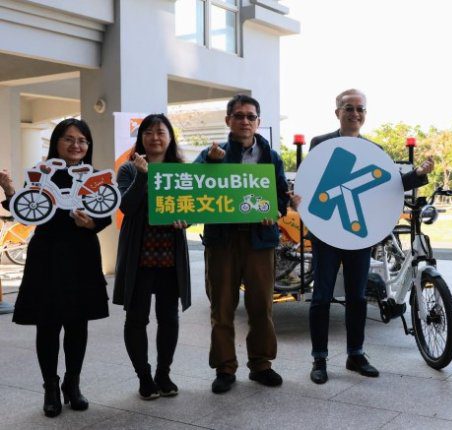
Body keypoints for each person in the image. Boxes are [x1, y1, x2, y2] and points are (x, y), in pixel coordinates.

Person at [305, 89, 432, 384]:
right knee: (321, 297)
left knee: (357, 297)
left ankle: (356, 354)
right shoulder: (321, 144)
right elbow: (311, 182)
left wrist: (418, 174)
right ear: (337, 112)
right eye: (348, 108)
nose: (355, 113)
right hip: (327, 234)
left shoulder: (374, 150)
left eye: (360, 109)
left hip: (358, 235)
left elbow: (389, 186)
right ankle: (319, 358)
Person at [0, 119, 110, 417]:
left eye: (82, 140)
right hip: (47, 256)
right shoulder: (43, 172)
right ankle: (50, 386)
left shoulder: (94, 175)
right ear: (56, 143)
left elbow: (105, 215)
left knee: (78, 323)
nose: (76, 145)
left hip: (82, 255)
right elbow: (25, 211)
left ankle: (72, 384)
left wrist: (91, 223)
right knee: (47, 323)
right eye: (69, 139)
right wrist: (9, 189)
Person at [194, 94, 290, 393]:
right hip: (222, 240)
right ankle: (224, 368)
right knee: (222, 306)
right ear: (228, 120)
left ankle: (261, 365)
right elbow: (193, 186)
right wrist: (210, 164)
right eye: (238, 115)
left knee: (261, 305)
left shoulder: (271, 156)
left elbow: (281, 196)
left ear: (258, 122)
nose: (245, 121)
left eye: (250, 116)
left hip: (260, 241)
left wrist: (275, 213)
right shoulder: (212, 154)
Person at [113, 114, 191, 400]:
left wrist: (187, 220)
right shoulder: (128, 169)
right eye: (148, 132)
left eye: (160, 132)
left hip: (170, 254)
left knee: (169, 317)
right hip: (139, 255)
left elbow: (193, 207)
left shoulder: (180, 170)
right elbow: (126, 206)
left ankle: (163, 373)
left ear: (170, 138)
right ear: (141, 137)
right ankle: (144, 377)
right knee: (136, 318)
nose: (154, 137)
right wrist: (143, 175)